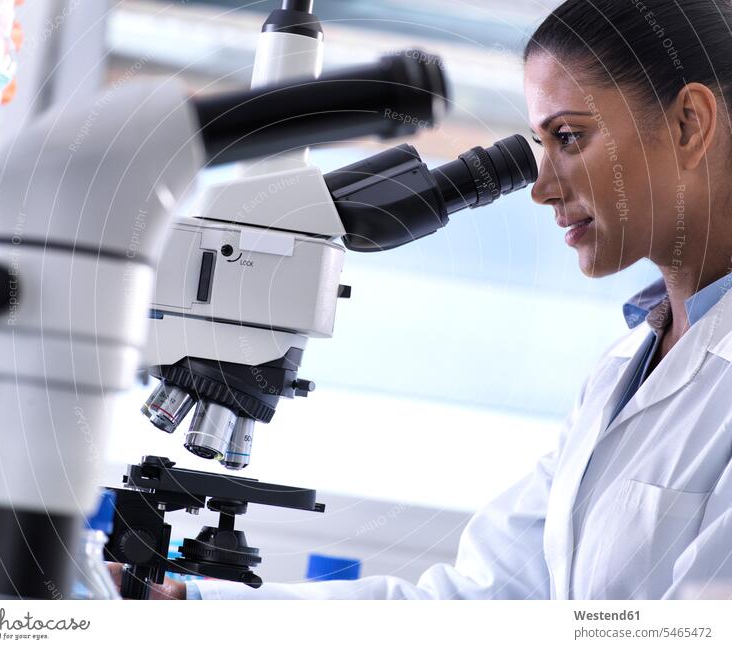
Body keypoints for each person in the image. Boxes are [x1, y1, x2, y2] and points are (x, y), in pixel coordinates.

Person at [111, 0, 732, 600]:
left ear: (689, 125)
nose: (541, 187)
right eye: (541, 145)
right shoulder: (621, 369)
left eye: (568, 137)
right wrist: (186, 609)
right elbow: (478, 601)